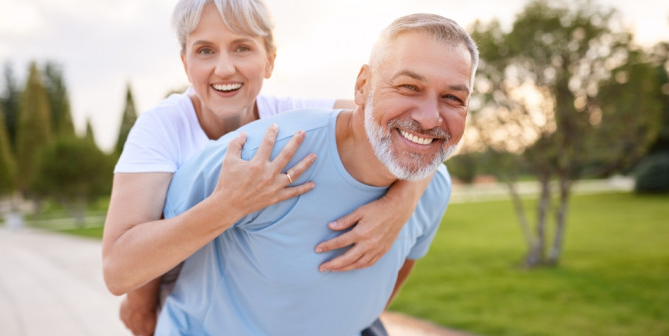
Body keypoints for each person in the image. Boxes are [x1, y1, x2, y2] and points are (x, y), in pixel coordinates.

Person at [101, 0, 434, 335]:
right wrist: (229, 206)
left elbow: (413, 130)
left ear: (270, 59)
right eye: (205, 51)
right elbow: (118, 271)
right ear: (185, 63)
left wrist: (399, 205)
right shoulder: (161, 128)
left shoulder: (294, 115)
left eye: (242, 48)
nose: (224, 68)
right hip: (197, 311)